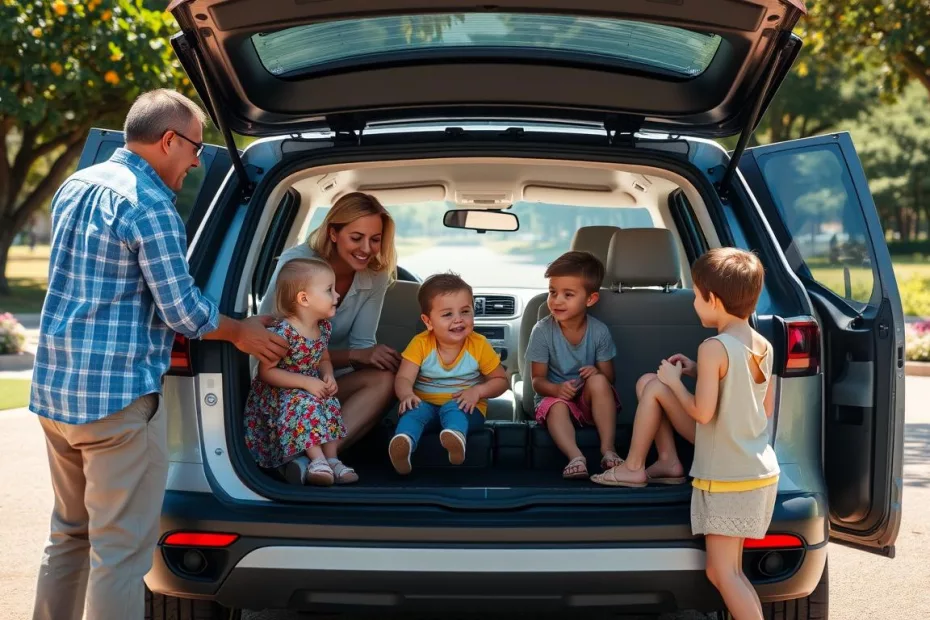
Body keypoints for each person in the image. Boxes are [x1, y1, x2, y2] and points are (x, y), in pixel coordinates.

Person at [29, 90, 288, 620]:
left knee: (69, 535)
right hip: (116, 403)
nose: (197, 160)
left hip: (56, 397)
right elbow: (183, 312)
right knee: (120, 552)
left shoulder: (75, 186)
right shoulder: (148, 205)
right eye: (195, 146)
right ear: (168, 139)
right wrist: (240, 332)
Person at [593, 248, 779, 620]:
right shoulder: (762, 344)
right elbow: (764, 407)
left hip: (730, 477)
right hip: (756, 470)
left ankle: (633, 467)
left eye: (695, 295)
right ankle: (662, 461)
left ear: (713, 299)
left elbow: (702, 412)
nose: (694, 302)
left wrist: (676, 383)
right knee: (730, 572)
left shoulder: (713, 347)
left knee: (724, 573)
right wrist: (696, 372)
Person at [261, 193, 400, 458]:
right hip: (285, 381)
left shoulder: (376, 274)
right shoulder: (297, 265)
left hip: (330, 380)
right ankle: (301, 456)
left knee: (387, 380)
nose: (367, 249)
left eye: (375, 239)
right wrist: (353, 356)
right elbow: (274, 347)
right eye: (356, 238)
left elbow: (362, 346)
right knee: (304, 395)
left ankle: (321, 459)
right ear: (334, 233)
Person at [244, 259, 358, 486]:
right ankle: (317, 461)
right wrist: (305, 382)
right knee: (304, 403)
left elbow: (323, 358)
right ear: (304, 299)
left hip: (309, 387)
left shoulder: (323, 327)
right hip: (280, 395)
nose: (337, 296)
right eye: (329, 290)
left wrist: (328, 376)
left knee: (329, 404)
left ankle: (332, 459)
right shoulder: (284, 332)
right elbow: (266, 372)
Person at [389, 273, 508, 475]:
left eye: (465, 311)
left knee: (455, 410)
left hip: (465, 406)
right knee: (413, 413)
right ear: (428, 321)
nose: (458, 320)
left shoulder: (478, 345)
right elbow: (403, 378)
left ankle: (455, 439)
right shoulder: (420, 343)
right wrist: (407, 395)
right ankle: (404, 444)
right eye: (447, 315)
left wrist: (477, 392)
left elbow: (501, 381)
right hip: (426, 405)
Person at [525, 251, 622, 479]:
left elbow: (610, 378)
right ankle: (575, 457)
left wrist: (597, 372)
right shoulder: (542, 330)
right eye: (552, 292)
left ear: (590, 299)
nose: (556, 300)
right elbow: (537, 380)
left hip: (588, 400)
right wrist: (557, 390)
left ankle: (608, 450)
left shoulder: (599, 331)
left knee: (598, 381)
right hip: (555, 398)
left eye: (568, 295)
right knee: (556, 405)